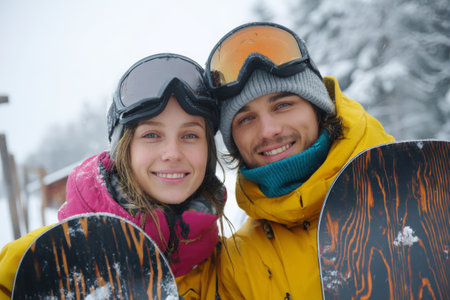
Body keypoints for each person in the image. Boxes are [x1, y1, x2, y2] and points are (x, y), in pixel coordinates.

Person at [176, 22, 395, 299]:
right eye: (246, 118)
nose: (269, 131)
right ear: (234, 142)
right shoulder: (236, 267)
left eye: (283, 105)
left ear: (317, 108)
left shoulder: (415, 188)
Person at [0, 53, 226, 299]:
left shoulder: (229, 268)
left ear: (209, 153)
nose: (172, 153)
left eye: (190, 135)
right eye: (151, 135)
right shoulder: (33, 261)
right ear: (124, 149)